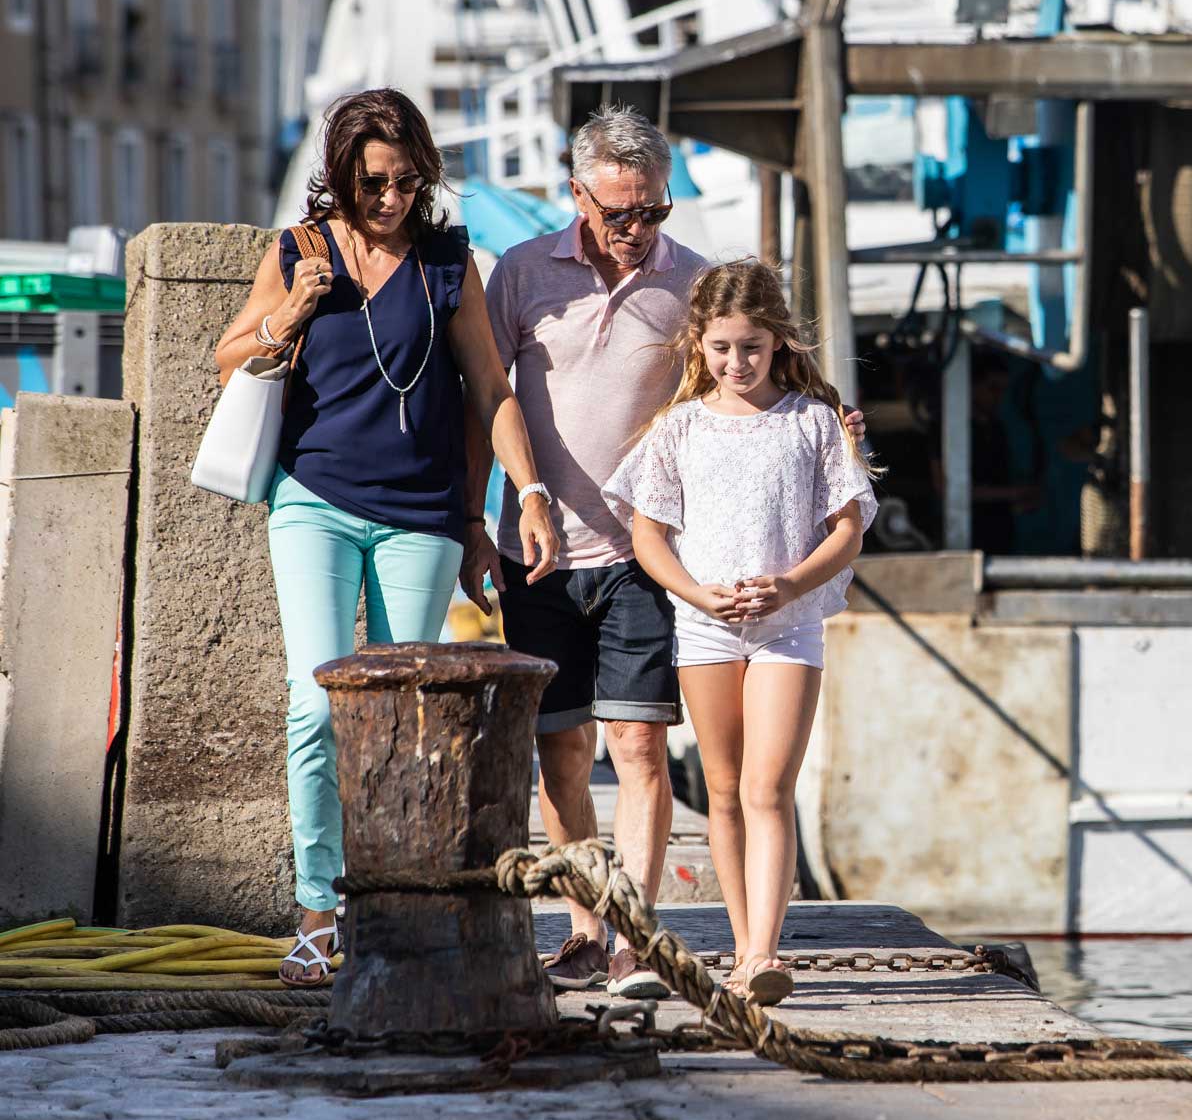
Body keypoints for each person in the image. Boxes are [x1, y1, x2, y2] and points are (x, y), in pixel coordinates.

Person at [458, 106, 866, 997]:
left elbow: (748, 362)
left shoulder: (691, 281)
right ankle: (584, 924)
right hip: (540, 549)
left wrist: (831, 418)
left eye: (652, 209)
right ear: (575, 197)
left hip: (643, 557)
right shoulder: (523, 275)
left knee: (639, 748)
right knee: (561, 755)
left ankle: (633, 940)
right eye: (618, 212)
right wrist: (474, 517)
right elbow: (489, 397)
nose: (638, 229)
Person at [213, 88, 559, 987]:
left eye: (407, 180)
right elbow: (227, 353)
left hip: (421, 515)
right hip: (314, 499)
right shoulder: (301, 249)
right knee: (312, 704)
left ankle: (396, 907)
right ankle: (318, 912)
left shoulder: (449, 261)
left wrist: (522, 494)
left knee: (411, 717)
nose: (392, 198)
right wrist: (289, 312)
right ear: (341, 176)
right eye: (373, 182)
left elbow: (491, 386)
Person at [603, 260, 877, 1006]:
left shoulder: (813, 422)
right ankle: (738, 940)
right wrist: (696, 593)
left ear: (779, 340)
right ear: (699, 343)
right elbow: (648, 535)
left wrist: (790, 583)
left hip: (789, 627)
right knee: (723, 789)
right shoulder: (680, 427)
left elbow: (847, 528)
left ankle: (762, 951)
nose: (737, 361)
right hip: (705, 628)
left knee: (768, 785)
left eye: (751, 345)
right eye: (722, 346)